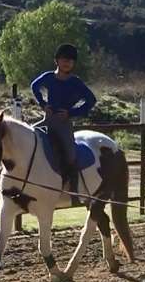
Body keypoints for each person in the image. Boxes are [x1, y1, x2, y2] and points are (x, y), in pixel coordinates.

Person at [31, 44, 96, 202]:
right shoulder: (48, 77)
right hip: (47, 122)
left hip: (63, 124)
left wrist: (71, 113)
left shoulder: (75, 82)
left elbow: (91, 100)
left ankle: (73, 189)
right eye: (64, 59)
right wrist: (43, 104)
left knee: (71, 155)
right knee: (29, 141)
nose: (67, 63)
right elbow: (34, 86)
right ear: (57, 61)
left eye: (70, 61)